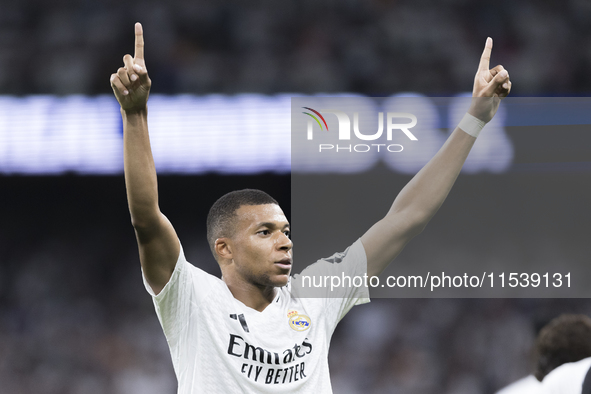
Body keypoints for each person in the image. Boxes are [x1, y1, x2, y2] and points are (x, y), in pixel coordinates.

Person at [110, 22, 511, 393]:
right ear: (224, 249)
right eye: (264, 232)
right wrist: (135, 114)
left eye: (285, 231)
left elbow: (406, 218)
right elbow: (146, 218)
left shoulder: (314, 296)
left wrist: (474, 120)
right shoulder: (192, 298)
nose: (284, 242)